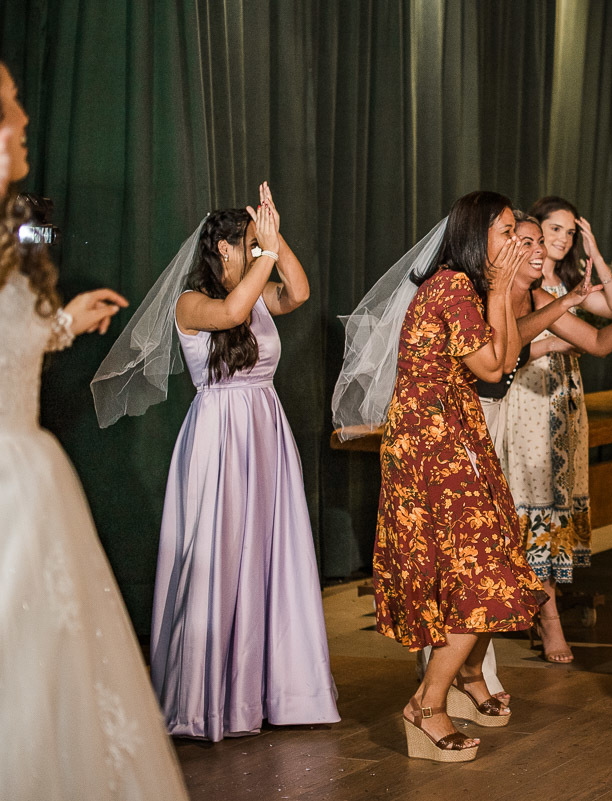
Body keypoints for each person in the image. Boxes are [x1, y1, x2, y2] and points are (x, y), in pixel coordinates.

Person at [0, 61, 189, 799]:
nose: (23, 123)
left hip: (32, 489)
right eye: (8, 108)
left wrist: (64, 322)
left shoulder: (21, 225)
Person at [93, 184, 340, 741]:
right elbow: (230, 312)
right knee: (218, 557)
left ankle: (273, 691)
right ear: (225, 250)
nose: (259, 254)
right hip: (219, 439)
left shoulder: (260, 293)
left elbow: (297, 292)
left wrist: (276, 239)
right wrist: (266, 254)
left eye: (260, 246)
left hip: (264, 434)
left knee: (268, 556)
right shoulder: (191, 302)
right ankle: (206, 701)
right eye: (249, 246)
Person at [371, 191, 544, 762]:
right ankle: (427, 703)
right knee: (481, 572)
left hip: (454, 430)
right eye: (505, 232)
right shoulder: (450, 287)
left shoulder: (470, 290)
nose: (515, 241)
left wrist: (502, 290)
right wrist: (500, 288)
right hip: (429, 439)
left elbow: (507, 355)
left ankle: (465, 681)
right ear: (475, 237)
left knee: (492, 555)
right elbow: (493, 367)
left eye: (518, 231)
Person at [500, 197, 612, 663]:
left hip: (564, 403)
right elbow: (499, 354)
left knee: (556, 509)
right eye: (545, 233)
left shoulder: (556, 286)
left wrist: (595, 255)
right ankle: (545, 616)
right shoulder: (515, 289)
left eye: (564, 233)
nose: (557, 240)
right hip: (526, 403)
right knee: (531, 505)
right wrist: (552, 340)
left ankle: (543, 606)